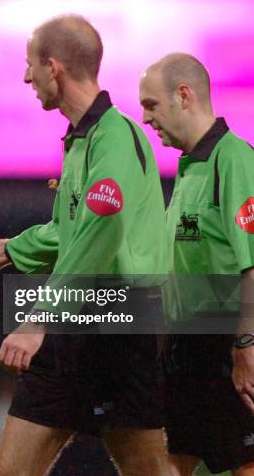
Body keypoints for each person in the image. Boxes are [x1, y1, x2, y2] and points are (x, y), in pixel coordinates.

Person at [0, 15, 171, 475]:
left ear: (54, 66)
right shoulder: (82, 141)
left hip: (121, 323)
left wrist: (39, 318)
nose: (26, 77)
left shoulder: (115, 137)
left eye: (30, 66)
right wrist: (10, 250)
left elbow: (99, 235)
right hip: (81, 319)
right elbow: (74, 230)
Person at [139, 53, 254, 475]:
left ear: (184, 96)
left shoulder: (234, 160)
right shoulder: (190, 169)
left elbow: (252, 264)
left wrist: (246, 346)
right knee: (169, 464)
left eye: (151, 105)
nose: (146, 118)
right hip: (186, 349)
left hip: (226, 345)